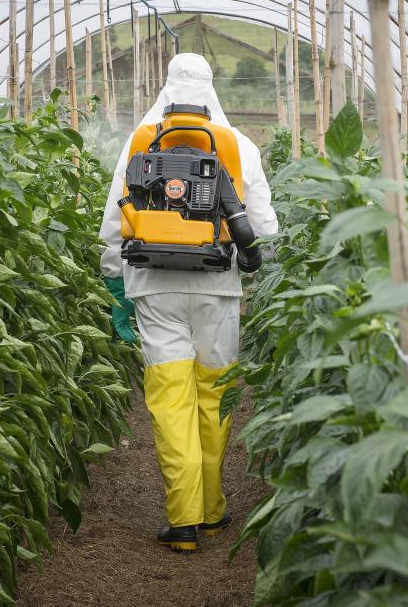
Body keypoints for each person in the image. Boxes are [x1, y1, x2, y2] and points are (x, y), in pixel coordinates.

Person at [99, 53, 278, 552]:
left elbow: (114, 227)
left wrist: (117, 288)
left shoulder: (140, 140)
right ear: (212, 90)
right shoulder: (238, 146)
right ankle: (215, 511)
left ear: (167, 87)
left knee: (170, 400)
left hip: (154, 287)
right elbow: (263, 228)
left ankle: (183, 523)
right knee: (214, 397)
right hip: (218, 286)